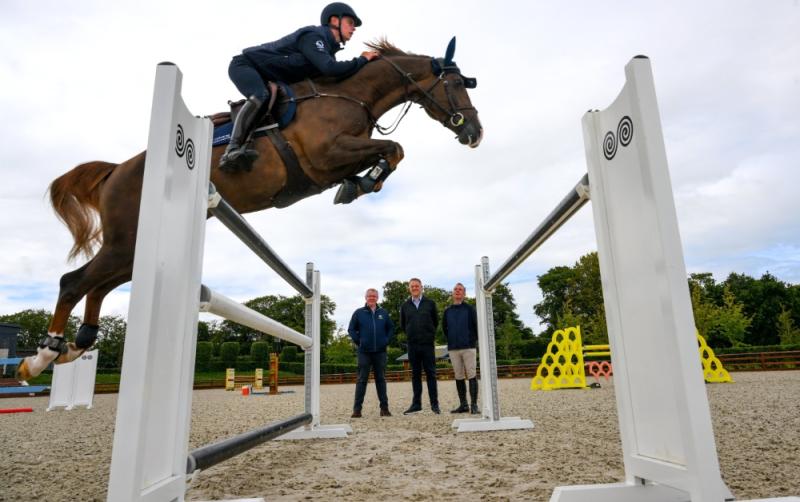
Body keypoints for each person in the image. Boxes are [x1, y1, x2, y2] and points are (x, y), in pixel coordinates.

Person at [220, 2, 380, 172]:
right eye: (350, 23)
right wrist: (362, 60)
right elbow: (331, 69)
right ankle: (232, 149)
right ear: (334, 20)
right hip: (245, 65)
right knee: (261, 95)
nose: (353, 28)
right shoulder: (314, 36)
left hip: (269, 77)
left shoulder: (327, 50)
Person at [348, 288, 394, 417]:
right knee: (362, 380)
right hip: (364, 352)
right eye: (369, 296)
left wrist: (386, 340)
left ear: (377, 298)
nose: (372, 298)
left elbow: (391, 328)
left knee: (381, 380)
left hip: (380, 352)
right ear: (365, 297)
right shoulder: (359, 313)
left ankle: (384, 408)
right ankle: (357, 410)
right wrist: (359, 341)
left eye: (374, 296)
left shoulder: (383, 313)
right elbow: (351, 329)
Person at [399, 278, 440, 414]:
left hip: (427, 344)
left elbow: (435, 322)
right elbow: (403, 325)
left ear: (421, 287)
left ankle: (434, 404)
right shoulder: (405, 306)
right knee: (415, 375)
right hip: (413, 345)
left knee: (431, 374)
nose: (415, 288)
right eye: (412, 286)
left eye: (417, 286)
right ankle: (416, 404)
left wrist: (428, 335)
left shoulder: (430, 303)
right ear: (409, 289)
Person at [442, 282, 480, 414]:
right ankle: (463, 405)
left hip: (468, 347)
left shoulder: (470, 309)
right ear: (452, 293)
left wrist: (471, 341)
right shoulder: (447, 311)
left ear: (464, 294)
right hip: (453, 348)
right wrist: (452, 339)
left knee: (471, 375)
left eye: (460, 290)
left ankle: (474, 404)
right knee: (458, 376)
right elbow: (444, 329)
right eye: (455, 289)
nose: (457, 291)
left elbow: (476, 326)